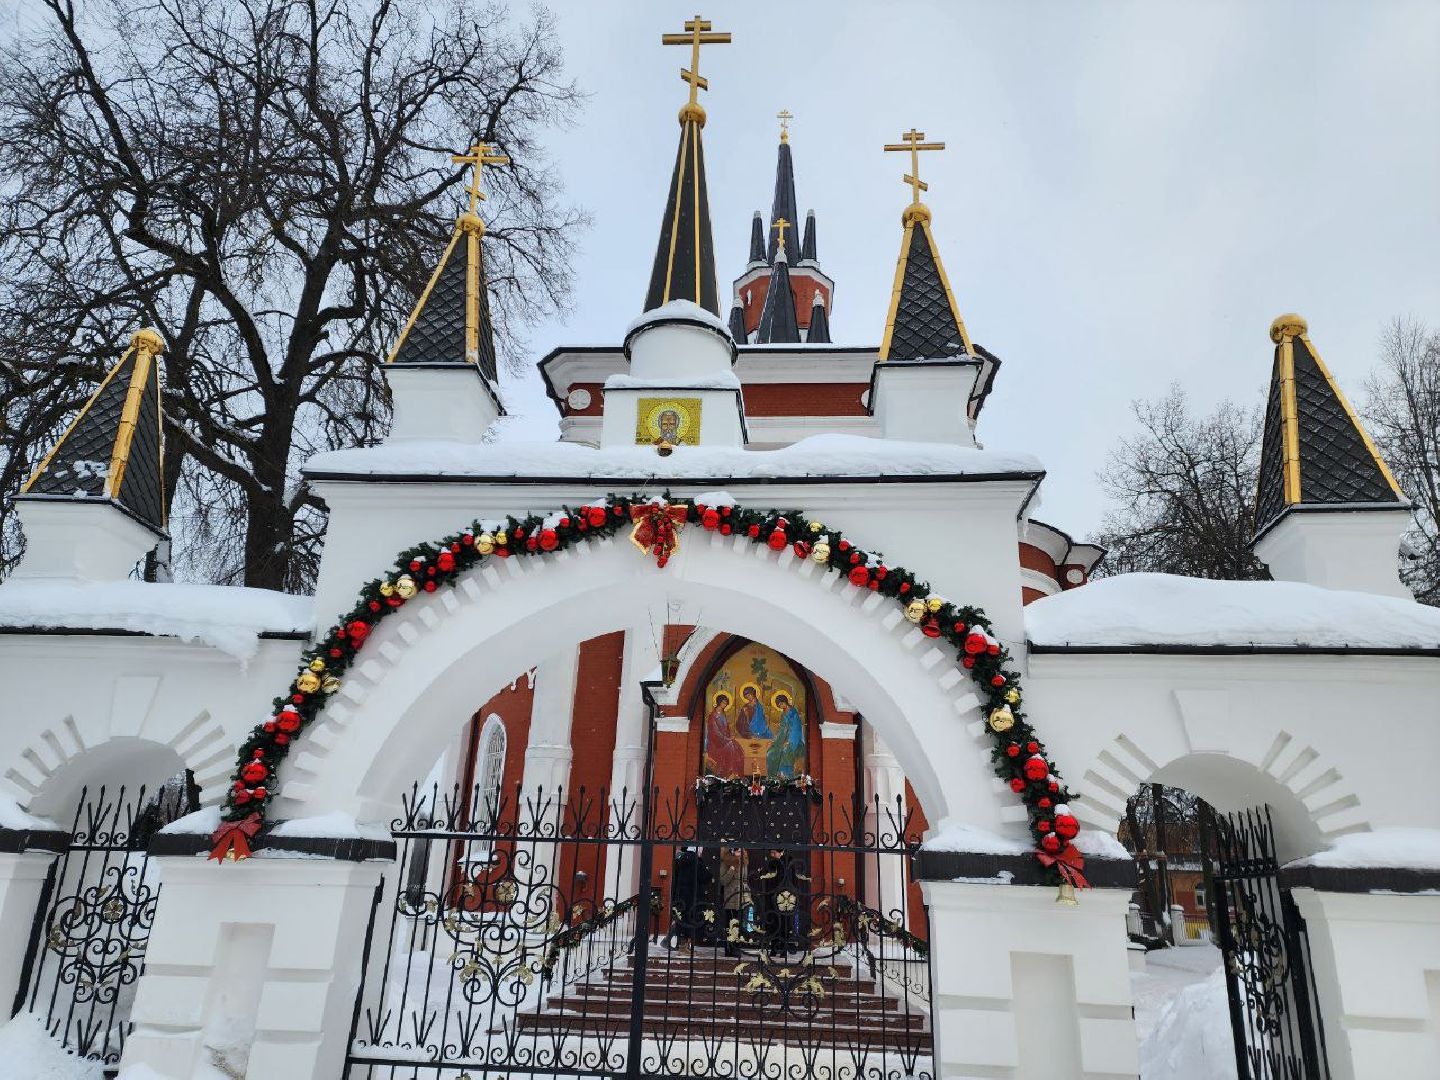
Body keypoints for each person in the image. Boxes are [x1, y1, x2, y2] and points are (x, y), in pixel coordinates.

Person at [666, 847, 713, 952]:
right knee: (691, 921)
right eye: (700, 851)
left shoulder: (680, 860)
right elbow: (705, 876)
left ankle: (683, 946)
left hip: (681, 897)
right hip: (694, 896)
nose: (701, 853)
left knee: (683, 920)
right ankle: (685, 947)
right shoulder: (696, 861)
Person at [718, 846, 752, 957]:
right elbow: (723, 881)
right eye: (737, 851)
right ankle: (729, 948)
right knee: (731, 923)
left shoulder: (744, 862)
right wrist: (732, 869)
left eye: (740, 850)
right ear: (732, 851)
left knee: (740, 922)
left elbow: (745, 879)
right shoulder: (726, 862)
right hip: (731, 897)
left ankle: (737, 946)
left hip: (741, 896)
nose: (739, 853)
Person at [704, 692, 744, 777]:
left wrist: (730, 736)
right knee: (730, 745)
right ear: (719, 702)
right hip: (715, 742)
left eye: (726, 703)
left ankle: (735, 772)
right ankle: (726, 771)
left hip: (724, 739)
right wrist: (727, 739)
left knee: (737, 746)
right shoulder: (713, 716)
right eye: (723, 703)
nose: (725, 705)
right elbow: (715, 732)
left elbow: (726, 728)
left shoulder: (723, 714)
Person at [765, 693, 805, 778]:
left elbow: (796, 729)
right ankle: (772, 777)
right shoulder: (783, 715)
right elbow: (782, 730)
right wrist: (774, 742)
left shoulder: (794, 713)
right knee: (771, 752)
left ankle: (785, 776)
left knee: (785, 750)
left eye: (782, 703)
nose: (781, 706)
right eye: (779, 705)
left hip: (794, 740)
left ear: (785, 702)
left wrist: (789, 741)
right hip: (782, 739)